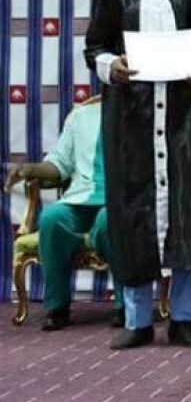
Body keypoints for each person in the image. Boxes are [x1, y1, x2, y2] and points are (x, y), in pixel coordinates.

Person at [84, 0, 191, 350]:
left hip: (181, 113)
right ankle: (137, 320)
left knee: (188, 209)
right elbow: (94, 47)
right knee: (132, 212)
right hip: (133, 118)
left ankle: (185, 317)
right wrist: (111, 66)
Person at [4, 100, 123, 330]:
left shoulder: (142, 113)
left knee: (107, 222)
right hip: (80, 197)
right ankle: (57, 307)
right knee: (52, 218)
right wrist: (30, 169)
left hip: (119, 199)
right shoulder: (81, 116)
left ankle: (126, 305)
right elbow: (59, 164)